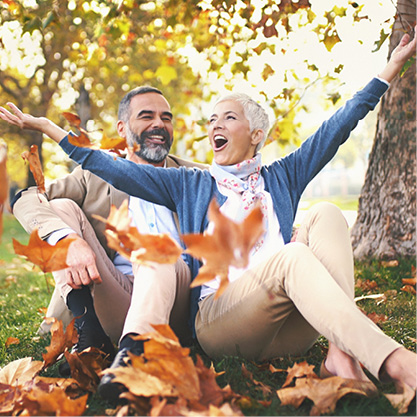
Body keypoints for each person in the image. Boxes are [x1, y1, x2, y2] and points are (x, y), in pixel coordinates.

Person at [2, 29, 416, 401]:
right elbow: (106, 168)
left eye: (227, 117)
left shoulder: (274, 175)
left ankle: (343, 352)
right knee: (259, 257)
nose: (213, 124)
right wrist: (52, 130)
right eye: (211, 119)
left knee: (325, 213)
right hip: (206, 313)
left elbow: (336, 127)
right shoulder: (189, 184)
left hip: (276, 316)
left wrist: (388, 70)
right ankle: (396, 362)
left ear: (256, 135)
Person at [8, 86, 206, 385]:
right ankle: (90, 337)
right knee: (60, 208)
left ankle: (134, 355)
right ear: (122, 128)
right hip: (114, 296)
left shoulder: (195, 176)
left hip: (174, 300)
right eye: (147, 116)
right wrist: (68, 240)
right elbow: (27, 198)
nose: (159, 124)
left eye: (166, 117)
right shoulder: (97, 173)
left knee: (156, 252)